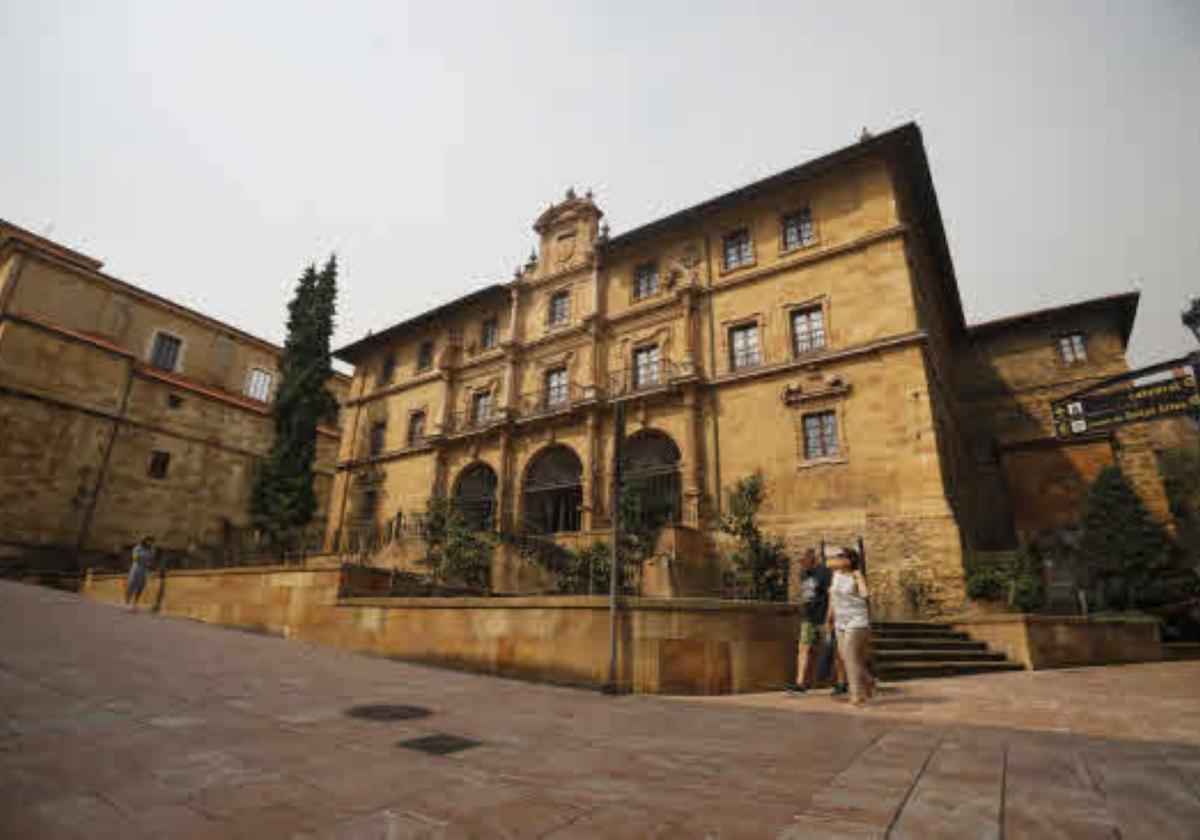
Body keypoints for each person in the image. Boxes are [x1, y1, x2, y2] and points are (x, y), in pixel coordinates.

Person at [826, 546, 873, 705]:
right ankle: (868, 680)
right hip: (841, 621)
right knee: (846, 657)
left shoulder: (856, 574)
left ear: (849, 560)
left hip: (857, 620)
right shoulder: (835, 576)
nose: (837, 559)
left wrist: (860, 581)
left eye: (840, 556)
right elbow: (832, 598)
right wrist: (829, 618)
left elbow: (865, 594)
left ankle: (856, 695)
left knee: (850, 655)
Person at [787, 548, 830, 693]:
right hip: (808, 616)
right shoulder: (803, 574)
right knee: (803, 647)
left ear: (813, 560)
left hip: (823, 616)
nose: (802, 565)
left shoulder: (824, 572)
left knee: (834, 649)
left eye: (805, 561)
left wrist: (830, 616)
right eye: (801, 562)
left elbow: (831, 594)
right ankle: (800, 683)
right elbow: (806, 594)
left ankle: (843, 681)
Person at [125, 535, 154, 610]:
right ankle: (128, 600)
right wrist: (144, 559)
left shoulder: (150, 550)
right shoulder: (137, 548)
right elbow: (135, 558)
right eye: (148, 541)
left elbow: (150, 560)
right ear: (145, 541)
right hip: (137, 568)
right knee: (132, 584)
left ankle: (135, 602)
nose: (150, 543)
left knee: (141, 586)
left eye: (151, 541)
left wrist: (147, 562)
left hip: (144, 569)